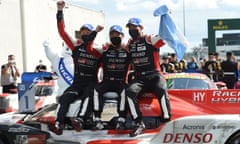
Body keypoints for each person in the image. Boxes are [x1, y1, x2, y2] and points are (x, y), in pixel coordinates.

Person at [53, 0, 104, 135]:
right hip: (77, 84)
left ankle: (81, 120)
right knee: (65, 98)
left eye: (88, 31)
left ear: (92, 33)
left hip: (92, 83)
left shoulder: (98, 50)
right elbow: (62, 32)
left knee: (89, 96)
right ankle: (59, 122)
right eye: (83, 31)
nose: (85, 33)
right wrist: (59, 11)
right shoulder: (75, 46)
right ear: (80, 33)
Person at [125, 17, 171, 137]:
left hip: (155, 74)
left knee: (161, 89)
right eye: (129, 27)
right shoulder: (129, 43)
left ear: (141, 28)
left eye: (134, 27)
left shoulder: (149, 39)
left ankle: (167, 119)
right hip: (140, 78)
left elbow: (163, 38)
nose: (132, 29)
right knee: (129, 92)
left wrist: (165, 19)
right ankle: (138, 123)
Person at [86, 25, 131, 130]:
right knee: (96, 90)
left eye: (117, 34)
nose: (114, 36)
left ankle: (121, 120)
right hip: (107, 81)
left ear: (122, 35)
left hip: (121, 82)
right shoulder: (105, 48)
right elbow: (89, 48)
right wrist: (95, 32)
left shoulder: (128, 50)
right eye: (112, 34)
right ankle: (97, 119)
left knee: (126, 91)